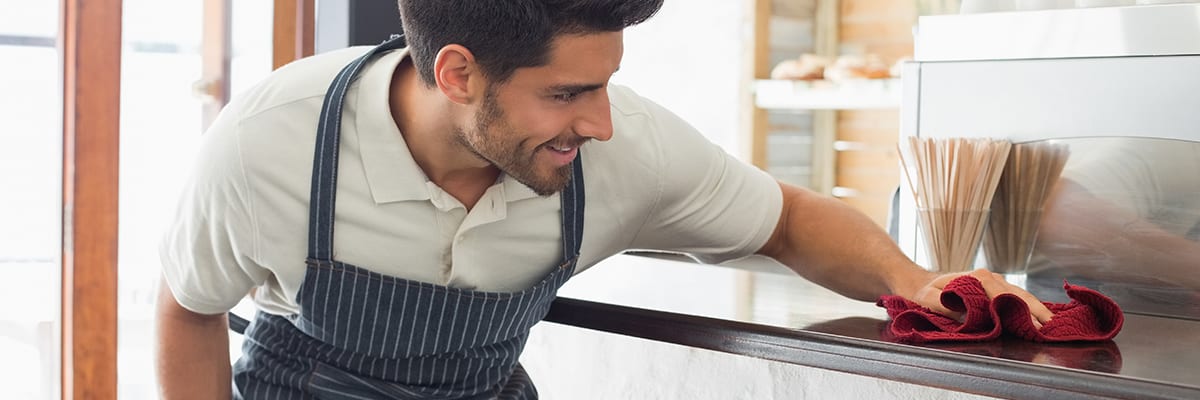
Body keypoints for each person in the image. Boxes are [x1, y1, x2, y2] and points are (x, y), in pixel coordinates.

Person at [155, 1, 1052, 398]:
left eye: (605, 85)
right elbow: (186, 308)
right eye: (567, 94)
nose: (602, 123)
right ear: (458, 73)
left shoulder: (623, 150)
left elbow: (789, 220)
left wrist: (918, 280)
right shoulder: (271, 139)